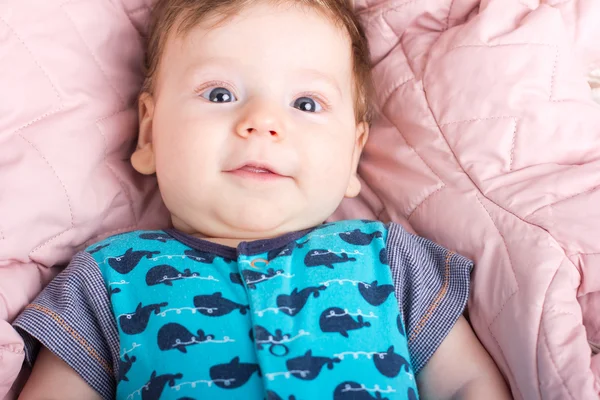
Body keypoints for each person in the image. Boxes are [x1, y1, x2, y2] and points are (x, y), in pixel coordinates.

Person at [14, 0, 511, 399]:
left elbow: (466, 383)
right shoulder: (106, 277)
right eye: (219, 94)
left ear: (353, 155)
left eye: (306, 104)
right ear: (149, 132)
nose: (262, 122)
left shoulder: (388, 259)